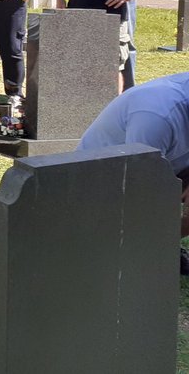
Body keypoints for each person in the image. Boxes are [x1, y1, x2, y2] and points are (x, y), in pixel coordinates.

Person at [79, 71, 189, 271]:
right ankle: (144, 246)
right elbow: (139, 187)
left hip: (161, 169)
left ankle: (158, 243)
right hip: (103, 183)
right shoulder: (157, 114)